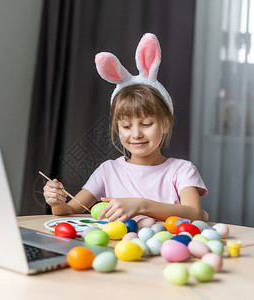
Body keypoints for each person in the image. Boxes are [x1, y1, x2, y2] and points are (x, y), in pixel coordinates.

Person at [43, 33, 208, 223]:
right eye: (126, 126)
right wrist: (56, 202)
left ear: (165, 124)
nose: (136, 134)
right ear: (117, 127)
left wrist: (140, 205)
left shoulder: (181, 170)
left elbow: (195, 214)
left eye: (146, 124)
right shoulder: (108, 171)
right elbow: (70, 210)